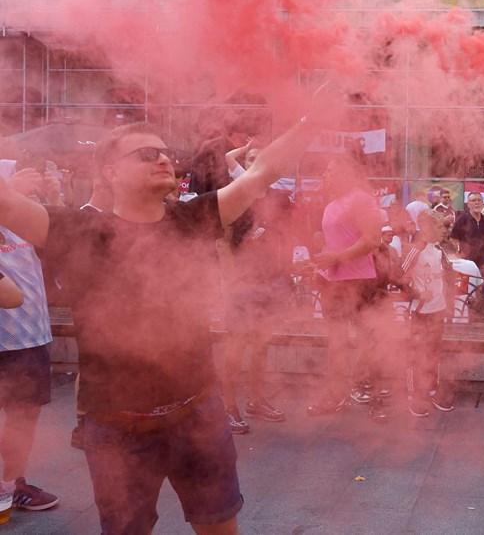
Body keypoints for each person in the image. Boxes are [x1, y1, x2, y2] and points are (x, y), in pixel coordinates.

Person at [0, 97, 331, 533]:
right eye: (146, 153)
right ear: (111, 172)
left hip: (198, 414)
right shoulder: (79, 230)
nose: (163, 159)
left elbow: (261, 172)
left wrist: (312, 118)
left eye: (165, 153)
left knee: (219, 525)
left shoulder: (190, 218)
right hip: (119, 429)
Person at [306, 156, 385, 422]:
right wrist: (321, 263)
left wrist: (336, 258)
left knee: (368, 339)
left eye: (329, 170)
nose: (325, 176)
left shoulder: (361, 199)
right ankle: (335, 395)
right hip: (333, 282)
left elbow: (373, 239)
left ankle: (374, 397)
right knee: (336, 341)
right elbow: (333, 245)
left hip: (360, 280)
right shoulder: (329, 206)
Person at [0, 183, 58, 515]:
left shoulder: (25, 213)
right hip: (2, 334)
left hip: (32, 333)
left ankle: (13, 485)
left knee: (24, 414)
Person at [219, 188, 292, 433]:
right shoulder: (236, 200)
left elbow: (285, 238)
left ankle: (256, 400)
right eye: (250, 158)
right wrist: (231, 281)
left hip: (269, 284)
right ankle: (228, 407)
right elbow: (223, 243)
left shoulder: (278, 200)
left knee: (261, 346)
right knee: (235, 349)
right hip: (242, 285)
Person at [402, 210, 455, 416]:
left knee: (433, 351)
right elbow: (398, 275)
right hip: (420, 312)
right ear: (426, 227)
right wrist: (417, 293)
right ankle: (414, 396)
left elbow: (448, 274)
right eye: (439, 226)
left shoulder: (439, 249)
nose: (443, 230)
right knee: (417, 353)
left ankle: (431, 390)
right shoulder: (416, 250)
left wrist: (446, 299)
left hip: (437, 311)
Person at [450, 191, 484, 278]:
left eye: (479, 200)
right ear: (468, 204)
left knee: (482, 290)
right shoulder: (461, 220)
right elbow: (453, 238)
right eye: (473, 200)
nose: (477, 202)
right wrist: (458, 253)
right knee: (469, 289)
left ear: (483, 203)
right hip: (466, 265)